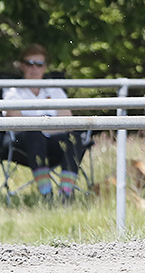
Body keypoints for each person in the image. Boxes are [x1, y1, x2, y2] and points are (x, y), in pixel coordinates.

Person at [2, 44, 85, 200]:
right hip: (24, 143)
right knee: (34, 133)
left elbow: (69, 122)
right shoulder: (12, 90)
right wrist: (48, 123)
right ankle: (46, 194)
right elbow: (15, 122)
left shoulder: (55, 90)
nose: (34, 68)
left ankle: (66, 194)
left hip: (53, 141)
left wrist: (40, 124)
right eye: (29, 63)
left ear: (45, 67)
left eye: (39, 64)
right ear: (22, 65)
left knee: (74, 137)